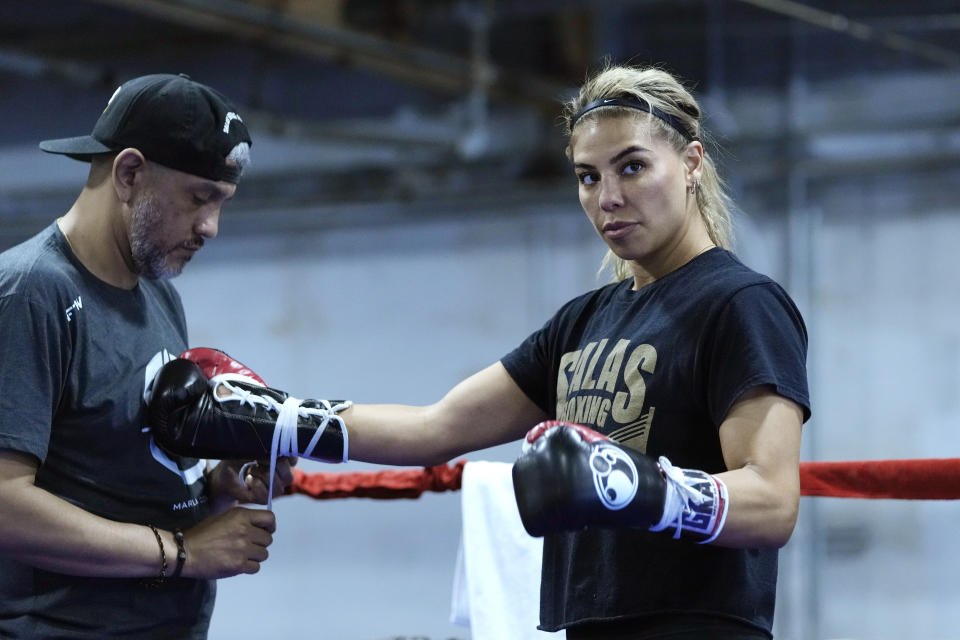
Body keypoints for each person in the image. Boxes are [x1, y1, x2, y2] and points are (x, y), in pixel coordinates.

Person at [149, 63, 810, 639]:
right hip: (590, 625)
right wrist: (271, 418)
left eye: (632, 167)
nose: (607, 198)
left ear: (691, 163)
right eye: (587, 176)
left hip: (698, 626)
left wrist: (638, 489)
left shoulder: (739, 303)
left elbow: (773, 500)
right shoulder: (584, 321)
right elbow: (433, 429)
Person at [0, 73, 294, 638]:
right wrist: (182, 551)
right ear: (129, 173)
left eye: (222, 203)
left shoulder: (160, 294)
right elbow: (6, 506)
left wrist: (213, 491)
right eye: (199, 199)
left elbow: (123, 482)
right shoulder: (31, 292)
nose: (211, 227)